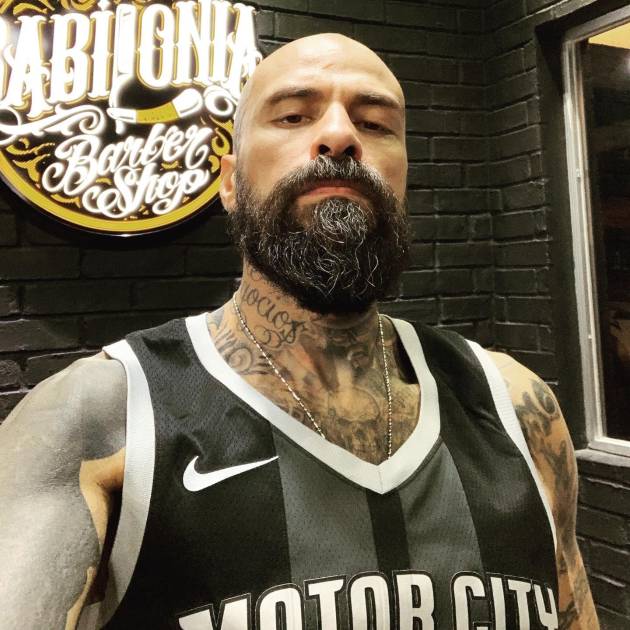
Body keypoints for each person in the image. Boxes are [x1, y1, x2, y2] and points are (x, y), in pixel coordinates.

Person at [0, 33, 599, 630]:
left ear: (403, 181)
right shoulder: (97, 418)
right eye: (292, 115)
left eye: (375, 123)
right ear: (229, 183)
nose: (340, 135)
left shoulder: (517, 408)